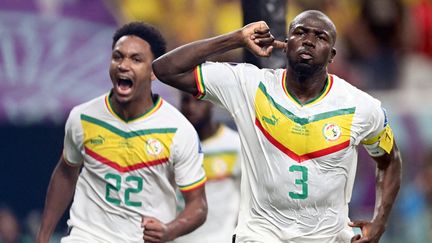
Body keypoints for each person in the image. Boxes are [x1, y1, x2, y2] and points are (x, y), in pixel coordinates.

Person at [152, 10, 402, 243]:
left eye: (320, 37)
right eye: (300, 33)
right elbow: (165, 69)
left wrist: (380, 221)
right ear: (286, 43)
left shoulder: (360, 106)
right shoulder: (248, 86)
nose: (308, 41)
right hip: (259, 235)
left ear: (332, 55)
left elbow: (390, 161)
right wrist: (236, 38)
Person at [36, 22, 208, 243]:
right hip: (87, 236)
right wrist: (43, 236)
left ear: (153, 71)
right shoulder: (82, 117)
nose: (123, 65)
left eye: (136, 59)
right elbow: (66, 173)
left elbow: (198, 205)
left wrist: (170, 230)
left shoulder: (178, 130)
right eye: (118, 57)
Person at [174, 93, 241, 243]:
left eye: (198, 101)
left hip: (223, 238)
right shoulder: (173, 148)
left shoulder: (235, 145)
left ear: (211, 103)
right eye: (185, 100)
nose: (191, 107)